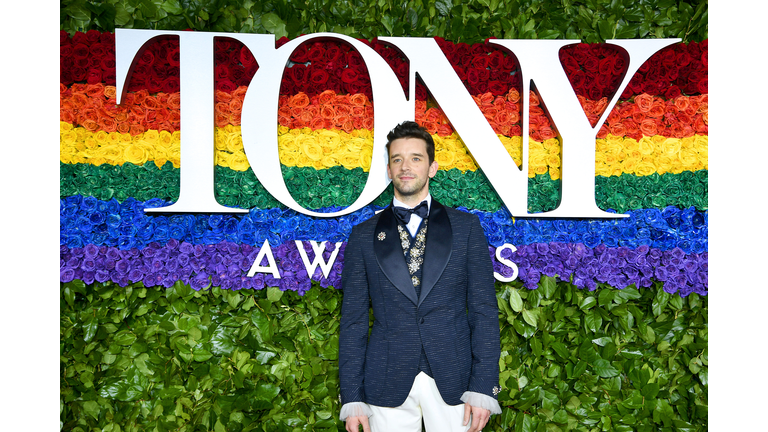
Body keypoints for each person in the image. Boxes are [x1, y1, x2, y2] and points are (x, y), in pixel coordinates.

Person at [338, 121, 502, 432]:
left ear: (432, 167)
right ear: (388, 169)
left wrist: (484, 387)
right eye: (397, 159)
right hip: (386, 380)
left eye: (416, 158)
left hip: (456, 380)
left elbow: (484, 312)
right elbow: (353, 321)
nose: (405, 167)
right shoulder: (362, 236)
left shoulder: (466, 229)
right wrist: (352, 397)